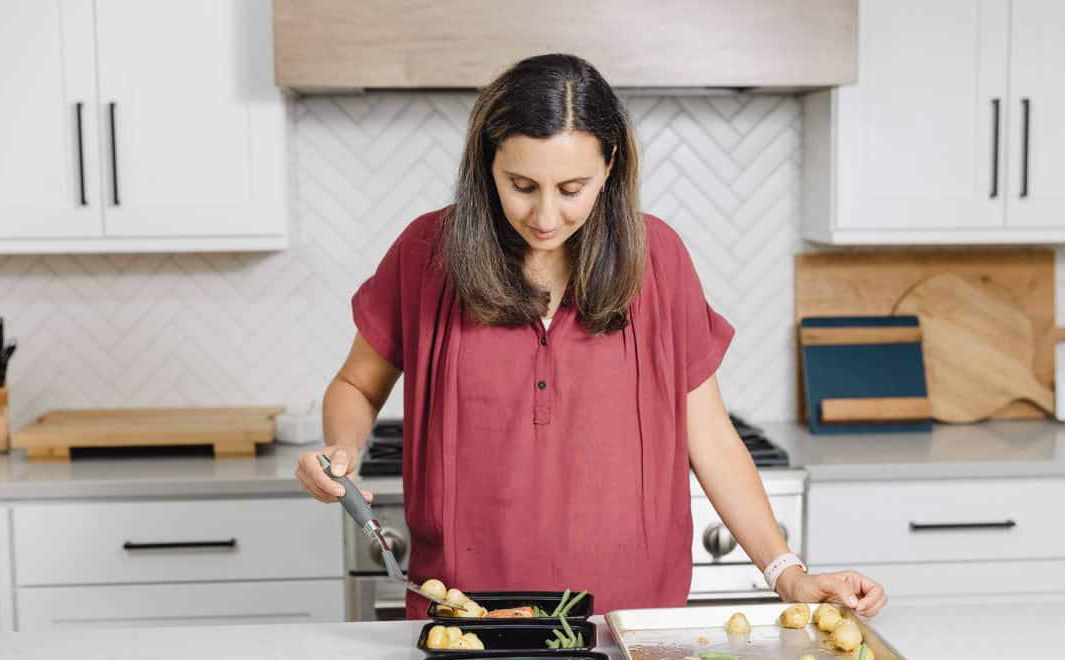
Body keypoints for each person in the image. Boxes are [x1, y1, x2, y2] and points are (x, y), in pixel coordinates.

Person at [296, 53, 888, 620]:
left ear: (610, 166)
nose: (546, 216)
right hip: (465, 615)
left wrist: (787, 573)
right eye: (522, 185)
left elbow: (707, 433)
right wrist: (340, 449)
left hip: (635, 621)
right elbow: (356, 384)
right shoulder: (427, 253)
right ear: (487, 168)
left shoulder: (659, 259)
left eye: (572, 188)